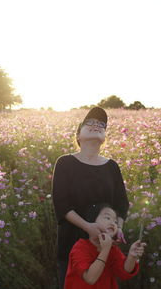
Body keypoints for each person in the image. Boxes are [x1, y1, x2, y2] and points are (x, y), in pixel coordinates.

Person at [52, 107, 129, 288]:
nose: (96, 125)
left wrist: (116, 229)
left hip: (104, 245)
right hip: (72, 243)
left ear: (104, 137)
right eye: (90, 123)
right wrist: (89, 227)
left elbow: (121, 204)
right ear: (78, 135)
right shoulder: (65, 163)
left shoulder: (112, 166)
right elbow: (62, 204)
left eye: (101, 125)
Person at [64, 204, 146, 288]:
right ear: (92, 222)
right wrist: (105, 250)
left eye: (115, 222)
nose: (112, 223)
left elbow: (124, 272)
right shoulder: (80, 248)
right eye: (107, 218)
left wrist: (131, 256)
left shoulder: (113, 250)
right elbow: (90, 279)